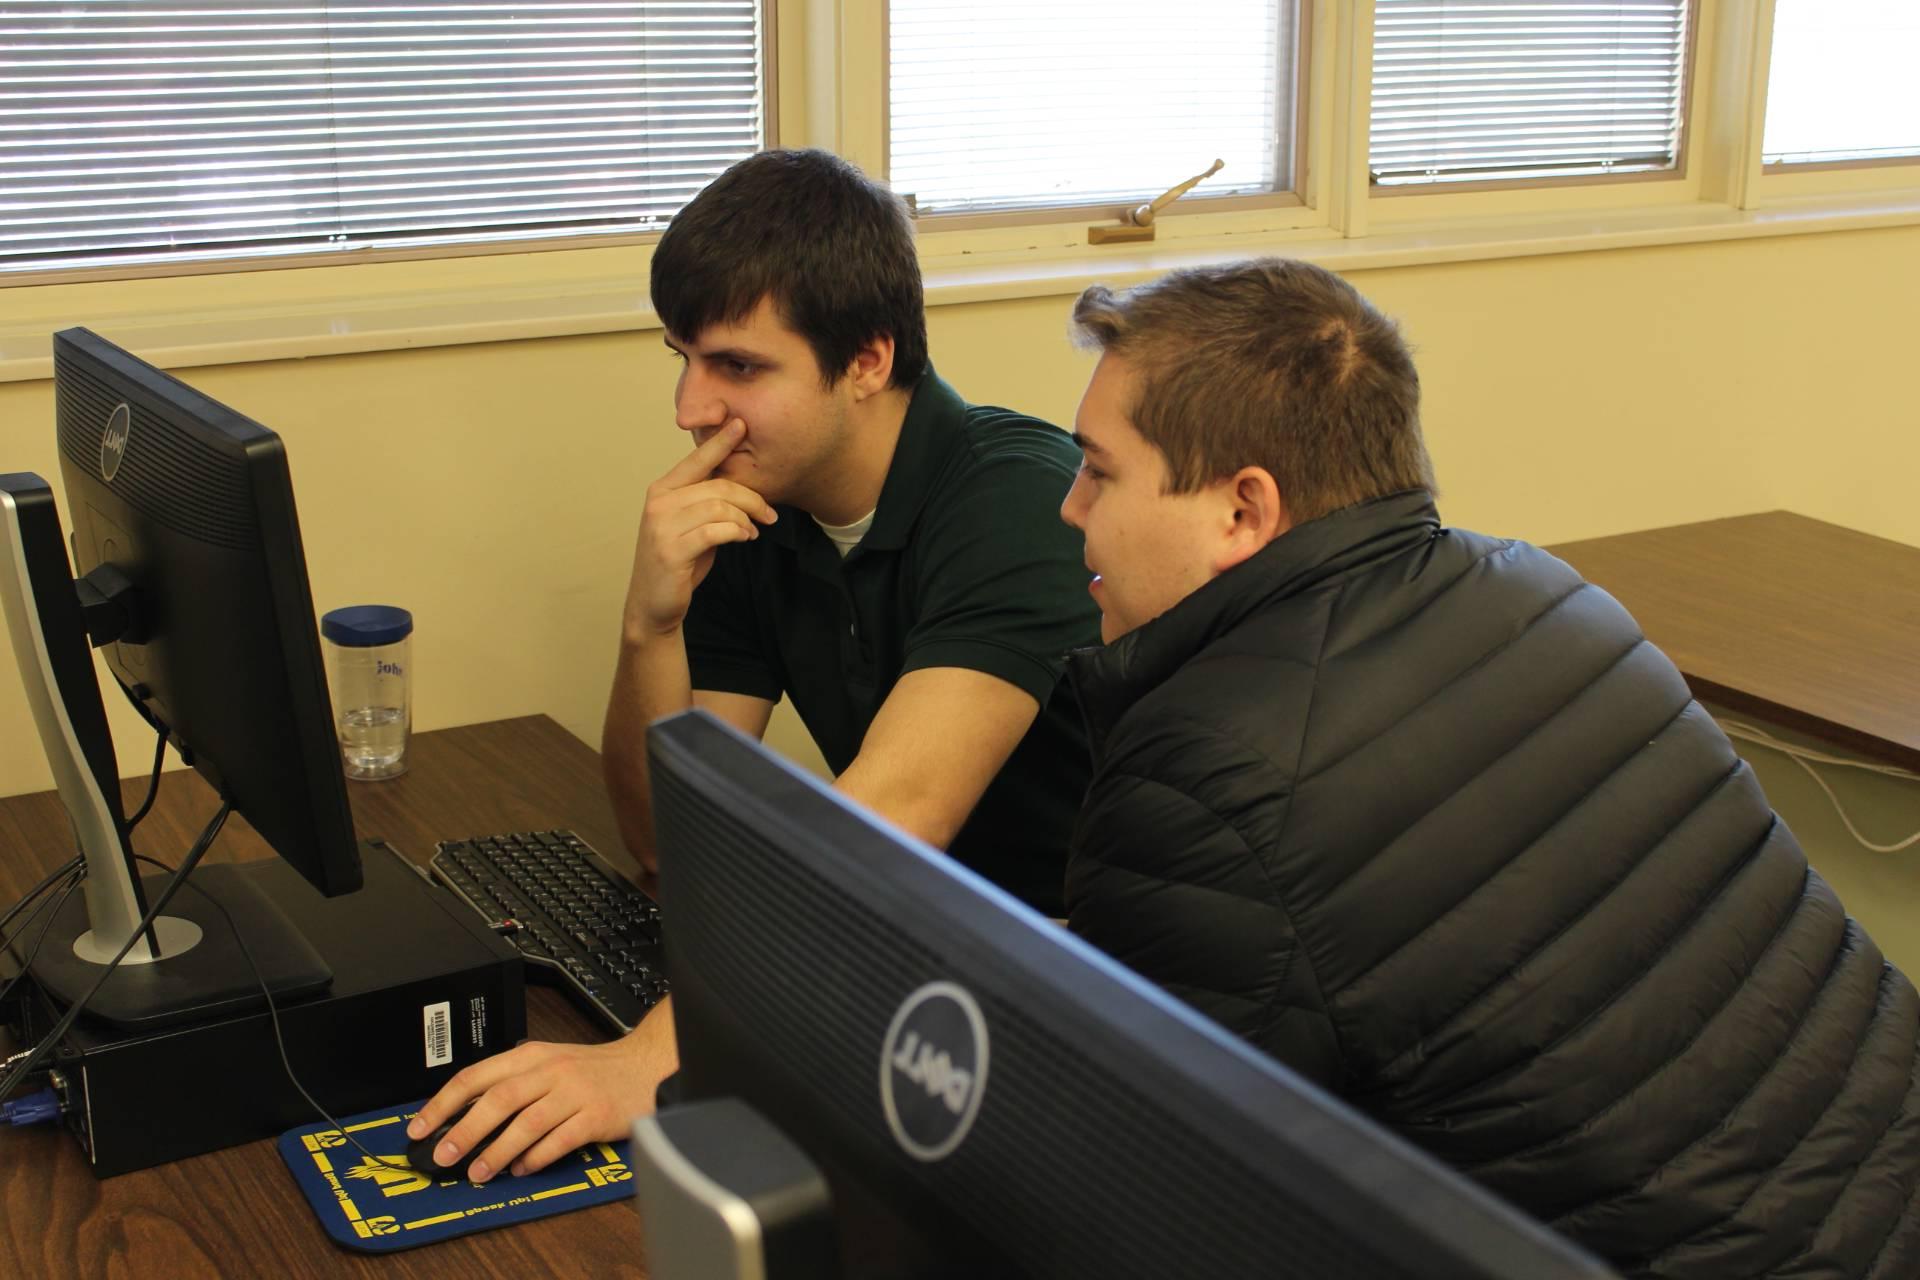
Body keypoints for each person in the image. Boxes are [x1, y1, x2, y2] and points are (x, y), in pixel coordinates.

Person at [1057, 257, 1920, 1277]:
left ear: (1243, 510)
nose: (1070, 508)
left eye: (1099, 471)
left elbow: (1167, 1204)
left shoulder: (1204, 778)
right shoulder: (1546, 591)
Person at [408, 149, 1098, 1184]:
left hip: (1085, 989)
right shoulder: (760, 507)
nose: (692, 406)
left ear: (866, 360)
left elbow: (897, 814)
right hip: (905, 952)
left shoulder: (1014, 498)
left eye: (738, 366)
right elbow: (669, 848)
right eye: (682, 357)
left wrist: (648, 1058)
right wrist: (651, 624)